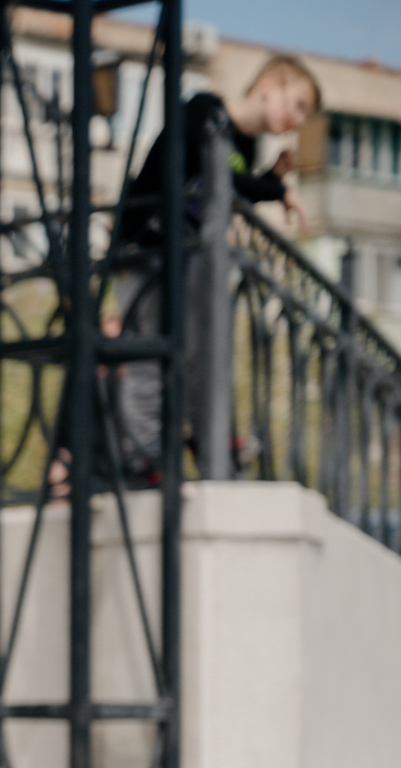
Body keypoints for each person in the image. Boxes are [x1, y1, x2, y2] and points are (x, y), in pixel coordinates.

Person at [109, 54, 320, 480]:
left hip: (185, 255)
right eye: (297, 104)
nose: (297, 120)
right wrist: (275, 189)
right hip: (145, 247)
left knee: (199, 350)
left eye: (305, 114)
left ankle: (202, 440)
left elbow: (230, 189)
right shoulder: (205, 110)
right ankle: (143, 460)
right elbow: (220, 175)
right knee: (149, 353)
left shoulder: (244, 147)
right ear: (268, 87)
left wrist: (269, 178)